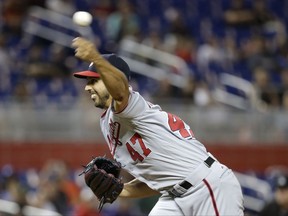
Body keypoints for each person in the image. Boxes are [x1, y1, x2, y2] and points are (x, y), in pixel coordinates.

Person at [72, 37, 244, 216]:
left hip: (206, 186)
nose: (87, 88)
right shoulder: (108, 122)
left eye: (94, 81)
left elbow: (120, 91)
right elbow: (157, 179)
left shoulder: (130, 105)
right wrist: (121, 190)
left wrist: (96, 58)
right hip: (173, 195)